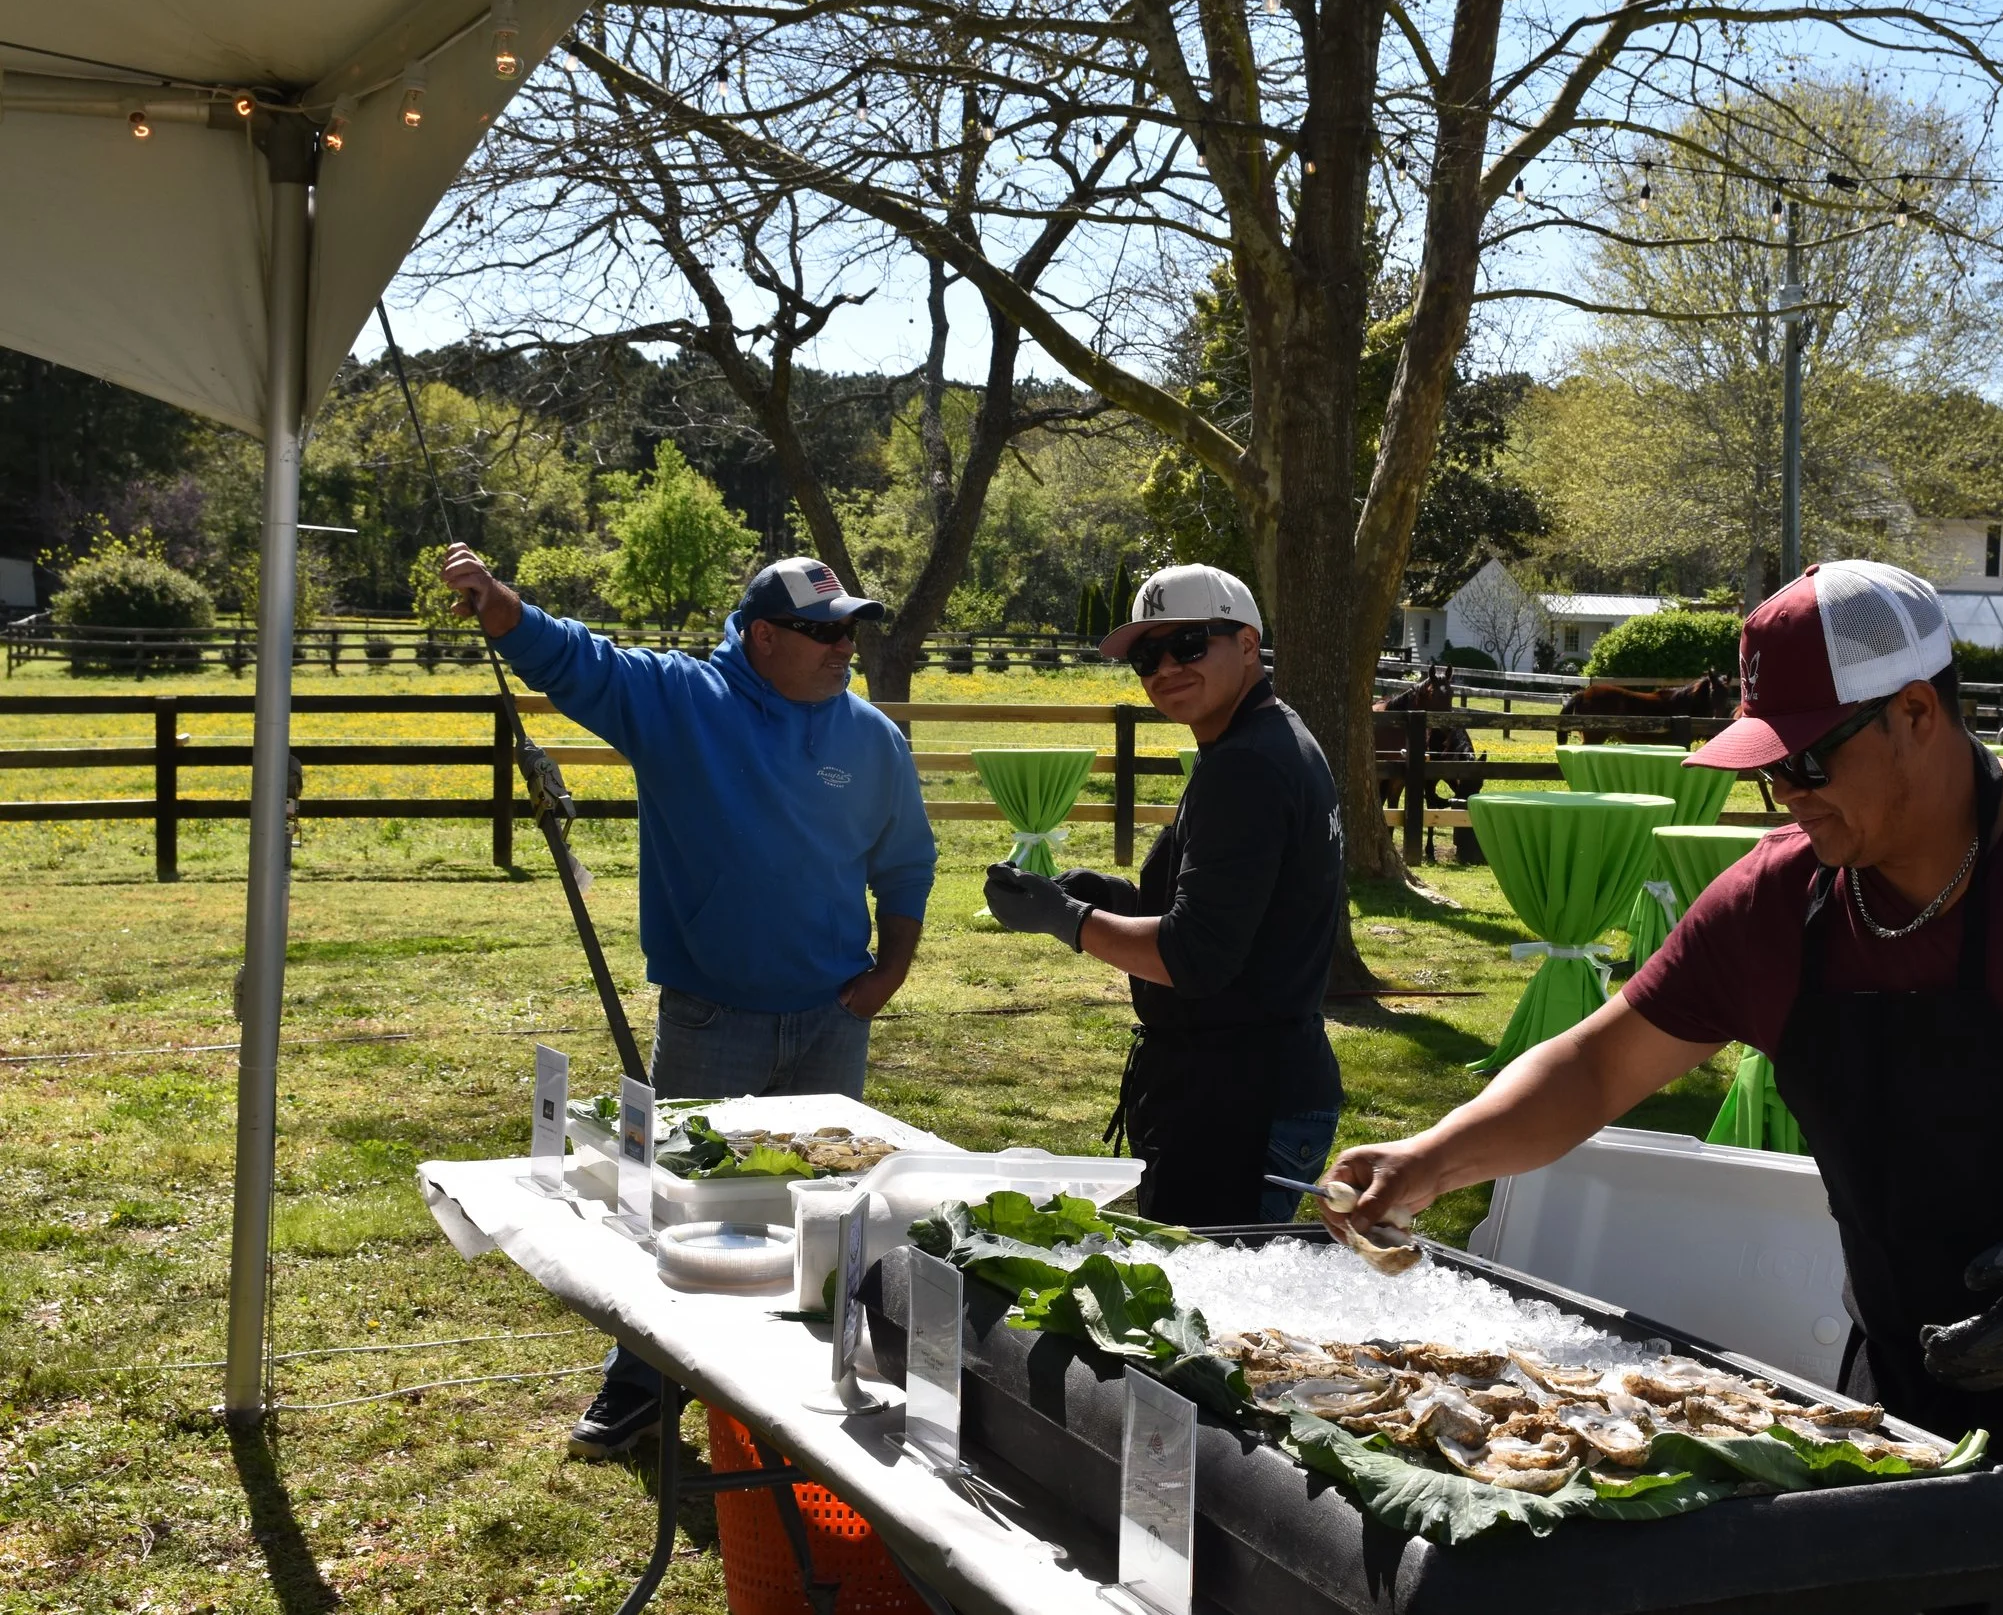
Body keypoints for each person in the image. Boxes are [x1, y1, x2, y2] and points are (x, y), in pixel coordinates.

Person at [1322, 561, 2003, 1614]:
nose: (1783, 797)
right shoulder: (1773, 900)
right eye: (1766, 769)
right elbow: (1601, 1063)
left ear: (1917, 713)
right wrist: (1430, 1156)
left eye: (1804, 761)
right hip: (1915, 1400)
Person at [440, 544, 936, 1456]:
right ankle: (642, 1389)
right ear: (760, 636)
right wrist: (501, 605)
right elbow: (579, 662)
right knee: (680, 1209)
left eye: (850, 631)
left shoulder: (872, 738)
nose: (843, 648)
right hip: (711, 1017)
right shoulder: (683, 703)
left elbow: (907, 863)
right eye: (822, 631)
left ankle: (810, 1390)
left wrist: (889, 974)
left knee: (831, 1210)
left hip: (834, 1016)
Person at [982, 564, 1346, 1227]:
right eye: (1147, 656)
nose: (1165, 667)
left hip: (1236, 1103)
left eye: (1189, 644)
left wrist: (1066, 917)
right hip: (1252, 1085)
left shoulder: (1245, 763)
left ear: (1245, 644)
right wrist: (1112, 896)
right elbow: (1237, 911)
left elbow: (1193, 957)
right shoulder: (1267, 739)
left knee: (1210, 1320)